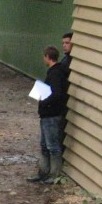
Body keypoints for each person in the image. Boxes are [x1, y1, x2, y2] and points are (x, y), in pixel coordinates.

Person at [26, 45, 69, 184]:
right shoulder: (54, 72)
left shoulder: (55, 73)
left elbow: (56, 94)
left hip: (51, 115)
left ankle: (54, 174)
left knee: (52, 146)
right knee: (44, 145)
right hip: (46, 115)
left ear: (47, 57)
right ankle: (43, 172)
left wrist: (44, 101)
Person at [58, 31, 73, 146]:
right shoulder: (65, 60)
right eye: (63, 43)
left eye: (67, 43)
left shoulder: (68, 61)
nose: (64, 45)